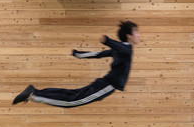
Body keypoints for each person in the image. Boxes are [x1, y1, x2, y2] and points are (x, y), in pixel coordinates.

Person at [12, 21, 140, 107]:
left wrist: (78, 54)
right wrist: (107, 41)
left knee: (71, 94)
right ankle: (33, 95)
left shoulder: (120, 49)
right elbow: (119, 48)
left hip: (103, 82)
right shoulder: (126, 49)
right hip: (108, 85)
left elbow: (98, 54)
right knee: (72, 101)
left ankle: (34, 91)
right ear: (129, 36)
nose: (138, 35)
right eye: (136, 32)